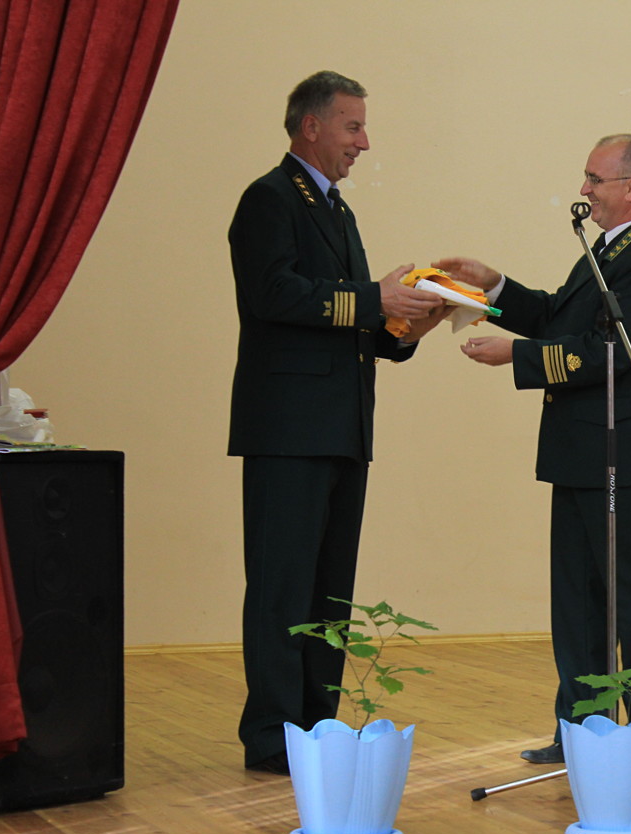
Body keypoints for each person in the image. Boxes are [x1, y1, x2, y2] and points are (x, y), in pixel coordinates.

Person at [435, 134, 631, 764]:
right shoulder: (607, 251)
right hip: (580, 455)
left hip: (624, 458)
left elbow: (610, 354)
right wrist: (495, 289)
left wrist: (516, 356)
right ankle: (582, 731)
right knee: (578, 602)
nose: (584, 190)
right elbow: (560, 319)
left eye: (595, 179)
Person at [228, 71, 448, 774]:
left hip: (340, 428)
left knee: (328, 591)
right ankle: (272, 734)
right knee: (281, 587)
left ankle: (315, 725)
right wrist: (374, 298)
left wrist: (408, 325)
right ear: (311, 125)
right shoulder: (269, 199)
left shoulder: (337, 210)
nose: (364, 142)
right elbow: (273, 295)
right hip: (288, 430)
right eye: (353, 126)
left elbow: (352, 321)